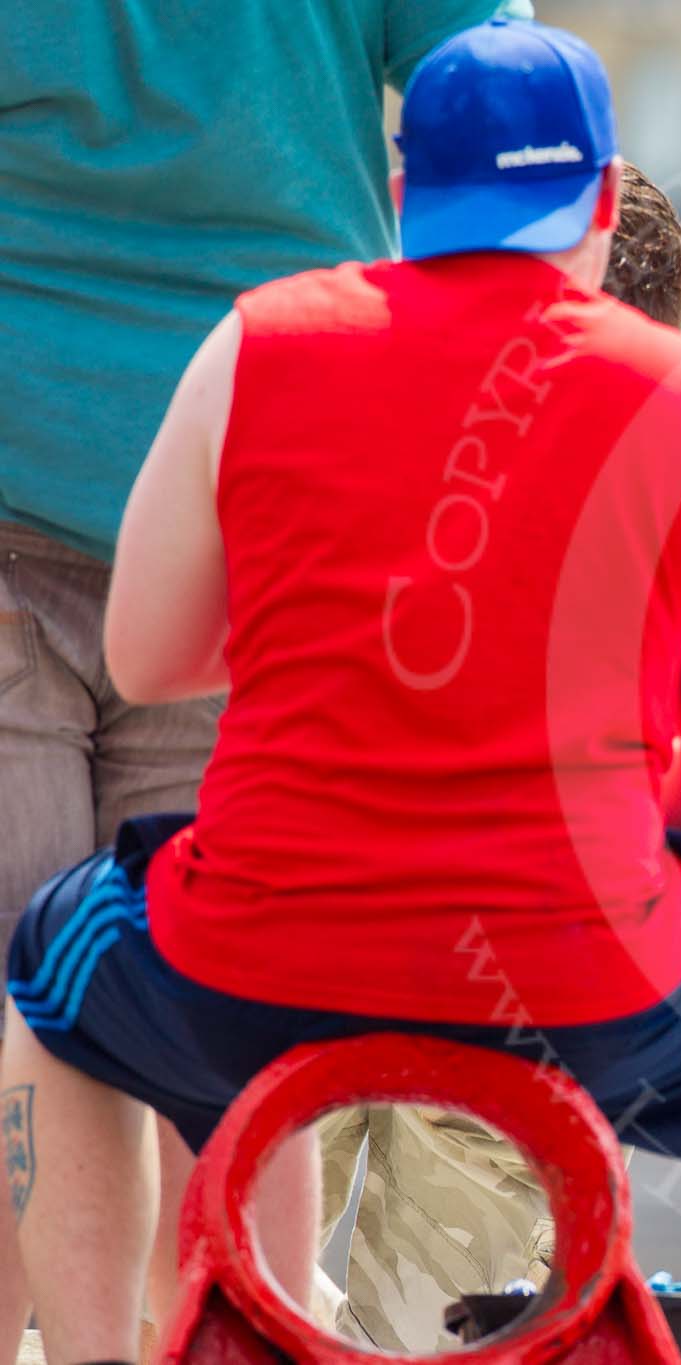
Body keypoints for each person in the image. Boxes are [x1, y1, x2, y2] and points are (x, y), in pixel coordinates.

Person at [1, 20, 681, 1365]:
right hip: (581, 979)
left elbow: (147, 660)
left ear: (407, 183)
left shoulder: (261, 345)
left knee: (44, 974)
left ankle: (87, 1356)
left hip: (266, 959)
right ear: (602, 202)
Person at [0, 0, 532, 1344]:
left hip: (59, 465)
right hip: (273, 506)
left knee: (23, 1003)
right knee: (243, 1016)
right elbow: (503, 102)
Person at [313, 159, 681, 1350]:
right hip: (531, 970)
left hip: (294, 920)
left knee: (208, 1279)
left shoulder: (349, 402)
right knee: (445, 1324)